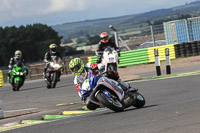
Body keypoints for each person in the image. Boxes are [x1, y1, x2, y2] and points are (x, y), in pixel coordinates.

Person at [69, 58, 136, 109]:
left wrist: (99, 67)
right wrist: (82, 97)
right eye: (73, 69)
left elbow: (98, 66)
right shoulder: (76, 79)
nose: (75, 70)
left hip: (99, 78)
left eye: (76, 68)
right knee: (88, 105)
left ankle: (126, 86)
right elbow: (79, 90)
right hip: (92, 89)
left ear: (80, 64)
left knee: (111, 74)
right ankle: (104, 103)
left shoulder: (88, 65)